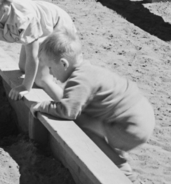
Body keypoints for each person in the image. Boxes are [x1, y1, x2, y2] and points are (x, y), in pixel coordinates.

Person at [25, 30, 155, 175]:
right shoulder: (88, 71)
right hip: (142, 117)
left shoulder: (79, 81)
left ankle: (120, 167)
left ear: (63, 64)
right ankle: (114, 150)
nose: (50, 73)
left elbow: (68, 111)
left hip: (131, 128)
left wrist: (42, 106)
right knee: (87, 115)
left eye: (50, 68)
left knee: (82, 125)